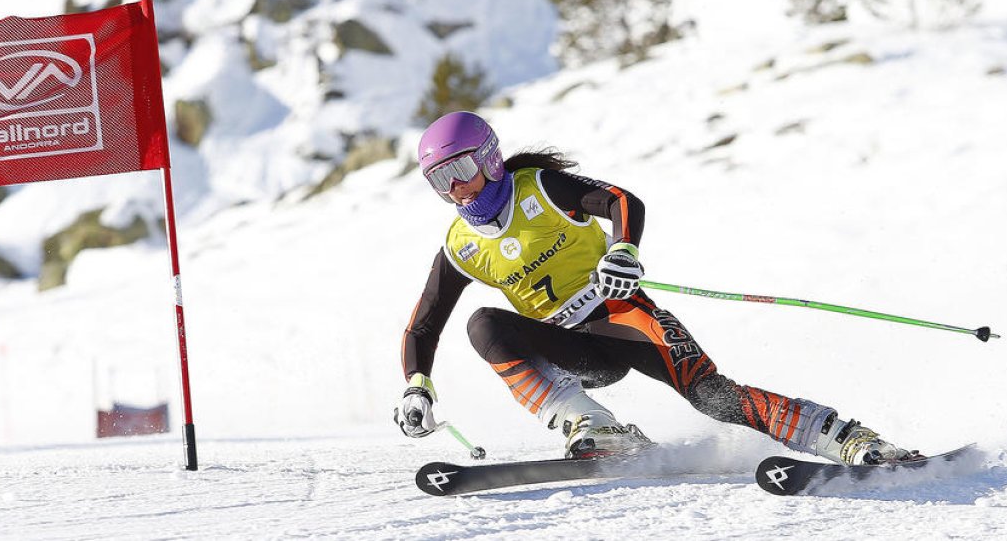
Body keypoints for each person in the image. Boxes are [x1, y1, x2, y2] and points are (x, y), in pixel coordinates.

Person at [394, 110, 921, 464]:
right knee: (482, 323)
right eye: (439, 180)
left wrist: (623, 250)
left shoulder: (541, 189)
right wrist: (417, 385)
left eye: (460, 170)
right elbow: (425, 322)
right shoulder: (462, 243)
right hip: (571, 347)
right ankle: (594, 427)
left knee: (712, 396)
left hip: (621, 315)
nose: (455, 188)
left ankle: (849, 439)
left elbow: (623, 202)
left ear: (487, 158)